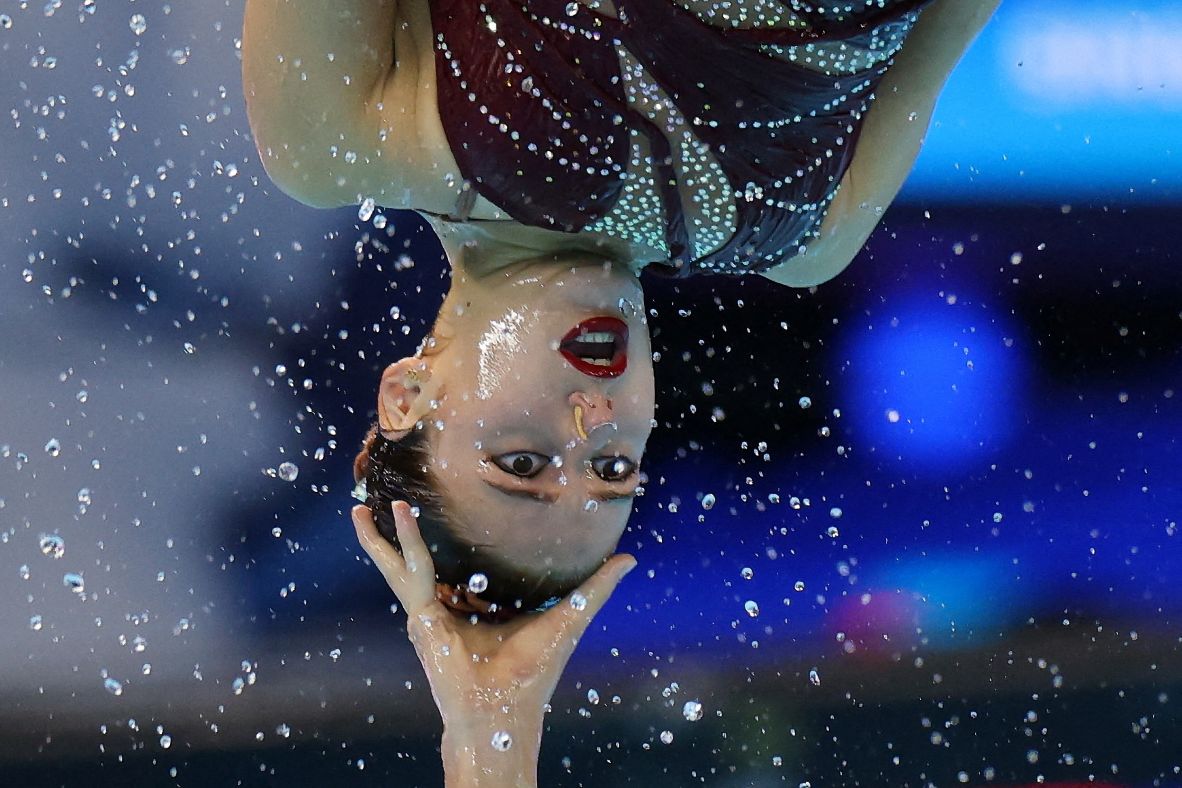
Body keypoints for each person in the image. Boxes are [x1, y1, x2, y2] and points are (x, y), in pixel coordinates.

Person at [243, 0, 997, 780]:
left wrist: (486, 751)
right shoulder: (809, 235)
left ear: (408, 394)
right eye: (611, 470)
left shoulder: (350, 136)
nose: (593, 419)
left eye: (524, 463)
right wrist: (495, 738)